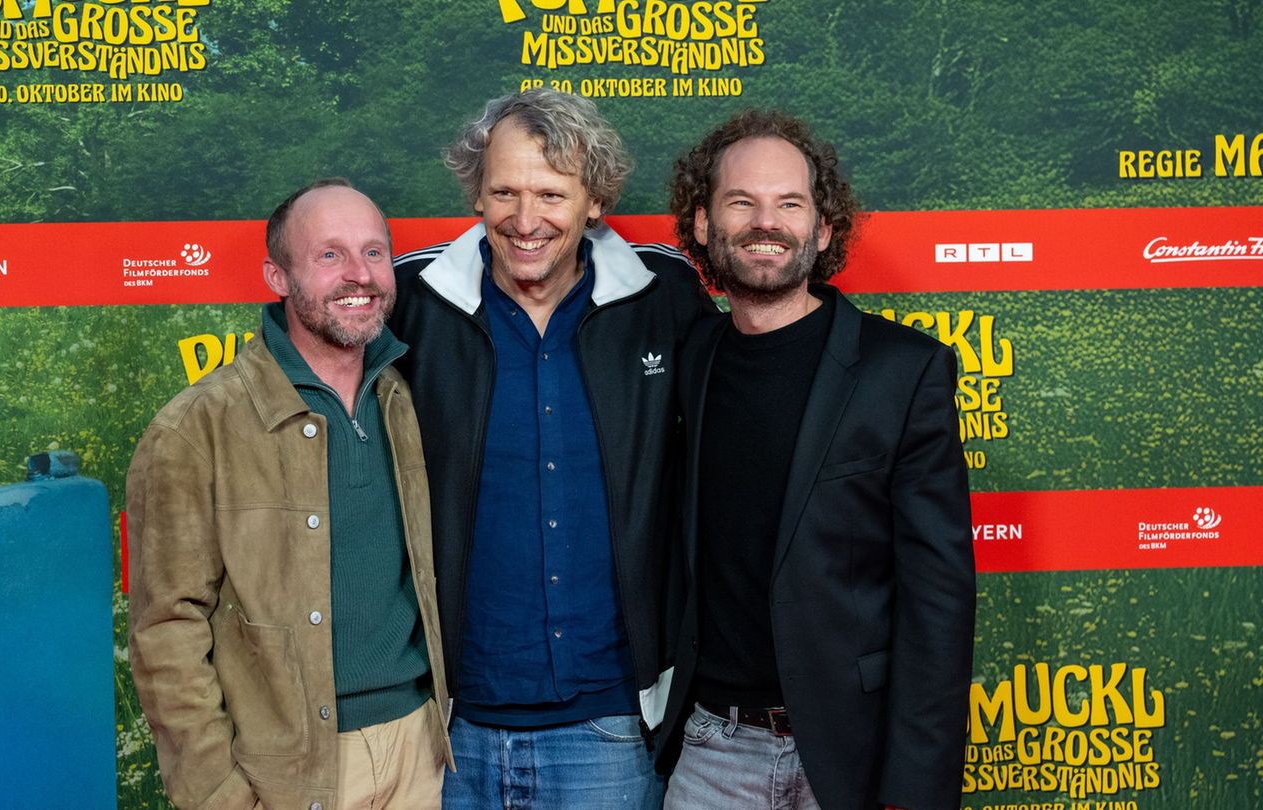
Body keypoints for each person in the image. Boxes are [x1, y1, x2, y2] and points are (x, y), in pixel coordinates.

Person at [389, 88, 718, 809]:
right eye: (504, 191)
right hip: (447, 730)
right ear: (476, 193)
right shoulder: (411, 299)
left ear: (595, 198)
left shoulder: (662, 295)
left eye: (550, 193)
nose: (526, 219)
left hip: (610, 727)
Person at [657, 111, 976, 810]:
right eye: (741, 202)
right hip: (714, 751)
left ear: (823, 229)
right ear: (704, 225)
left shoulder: (904, 371)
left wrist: (915, 788)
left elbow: (939, 599)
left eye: (789, 204)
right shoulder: (692, 359)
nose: (765, 222)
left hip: (853, 754)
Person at [128, 180, 451, 810]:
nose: (360, 275)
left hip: (421, 751)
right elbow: (166, 633)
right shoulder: (196, 428)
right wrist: (218, 794)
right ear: (277, 275)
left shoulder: (404, 401)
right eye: (330, 255)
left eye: (374, 253)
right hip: (292, 775)